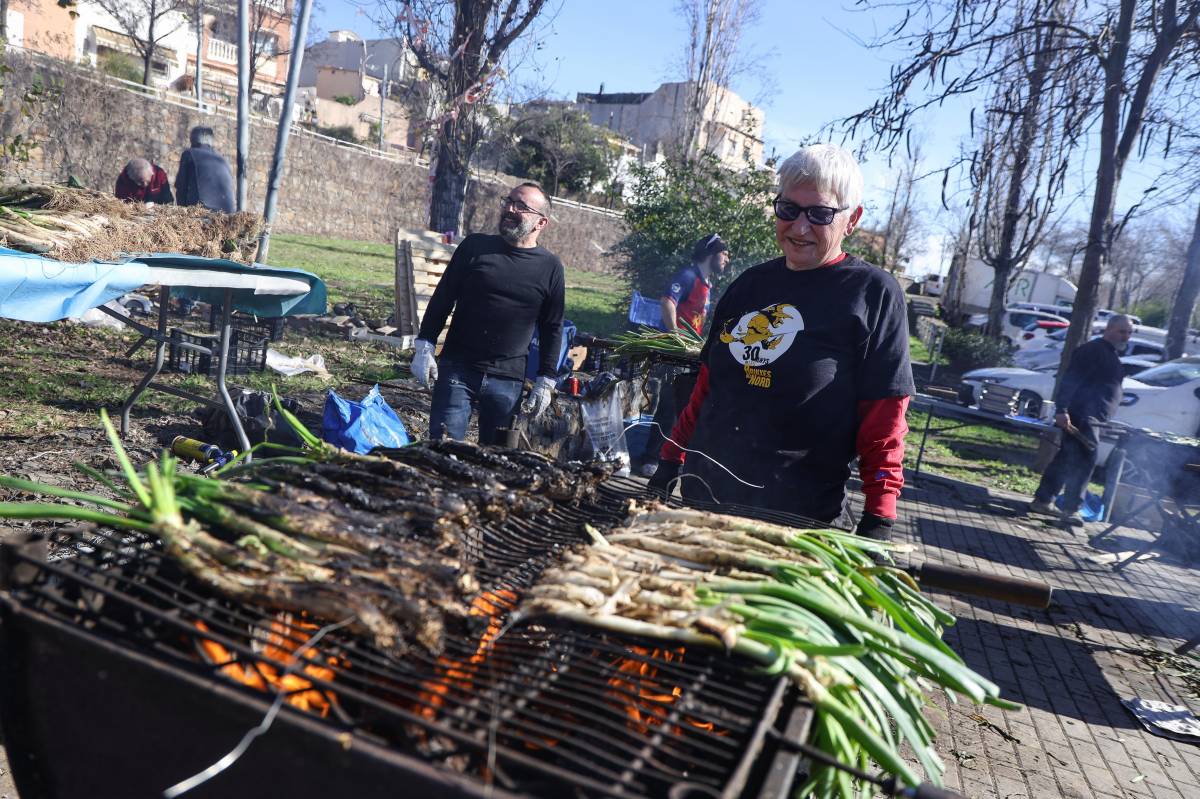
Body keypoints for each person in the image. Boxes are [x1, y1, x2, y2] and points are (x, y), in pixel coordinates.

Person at [646, 144, 915, 539]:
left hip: (799, 519)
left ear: (851, 220)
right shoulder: (750, 284)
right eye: (788, 210)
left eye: (820, 214)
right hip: (703, 501)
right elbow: (707, 387)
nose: (799, 227)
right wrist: (670, 461)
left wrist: (880, 518)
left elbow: (886, 419)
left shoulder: (872, 293)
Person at [411, 182, 566, 445]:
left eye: (520, 206)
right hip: (457, 370)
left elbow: (552, 326)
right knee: (444, 449)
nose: (509, 208)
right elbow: (443, 298)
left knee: (496, 460)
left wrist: (546, 378)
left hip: (508, 381)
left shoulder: (550, 267)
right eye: (508, 201)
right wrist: (424, 345)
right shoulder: (475, 247)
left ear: (541, 223)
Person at [1029, 315, 1133, 523]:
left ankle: (1043, 501)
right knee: (1085, 460)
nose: (1126, 337)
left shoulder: (1110, 354)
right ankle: (1071, 509)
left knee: (1067, 458)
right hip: (1082, 415)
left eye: (1129, 333)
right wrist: (1062, 409)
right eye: (1122, 331)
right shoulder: (1093, 350)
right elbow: (1070, 380)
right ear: (1109, 329)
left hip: (1093, 417)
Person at [640, 233, 730, 476]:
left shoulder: (706, 283)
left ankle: (673, 458)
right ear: (711, 254)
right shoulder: (688, 276)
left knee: (685, 408)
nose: (727, 259)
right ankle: (652, 458)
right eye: (724, 253)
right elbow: (667, 302)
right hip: (675, 354)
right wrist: (676, 337)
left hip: (690, 354)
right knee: (668, 406)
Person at [175, 126, 235, 213]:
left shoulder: (189, 154)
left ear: (192, 139)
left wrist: (181, 212)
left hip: (202, 210)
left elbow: (181, 186)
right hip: (228, 211)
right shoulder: (222, 160)